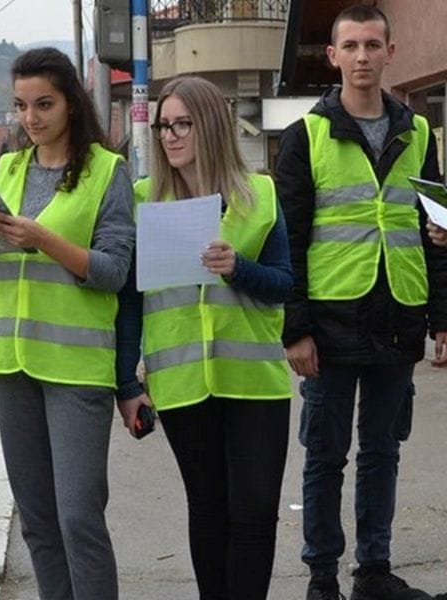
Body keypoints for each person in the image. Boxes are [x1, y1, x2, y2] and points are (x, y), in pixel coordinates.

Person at [274, 5, 447, 600]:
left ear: (391, 53)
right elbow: (287, 241)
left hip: (399, 315)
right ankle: (322, 579)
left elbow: (435, 232)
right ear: (333, 56)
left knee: (382, 453)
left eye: (374, 44)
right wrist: (294, 329)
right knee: (325, 457)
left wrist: (443, 316)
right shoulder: (306, 137)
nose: (363, 56)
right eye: (351, 46)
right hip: (329, 322)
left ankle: (374, 571)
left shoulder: (418, 133)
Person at [115, 76, 294, 600]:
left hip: (255, 382)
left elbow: (284, 284)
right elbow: (129, 301)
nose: (170, 136)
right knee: (210, 510)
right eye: (164, 125)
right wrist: (126, 383)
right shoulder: (144, 200)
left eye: (182, 124)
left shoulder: (259, 193)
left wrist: (239, 268)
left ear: (211, 126)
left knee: (256, 513)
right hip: (182, 383)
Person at [0, 47, 135, 600]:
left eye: (43, 104)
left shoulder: (106, 171)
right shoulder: (7, 168)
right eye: (20, 106)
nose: (31, 118)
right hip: (11, 362)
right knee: (38, 522)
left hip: (76, 370)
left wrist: (42, 239)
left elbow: (114, 271)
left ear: (71, 102)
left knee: (78, 519)